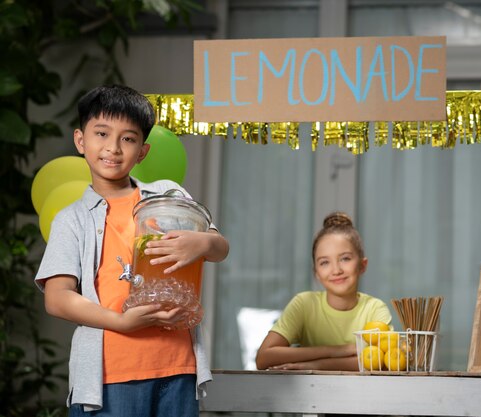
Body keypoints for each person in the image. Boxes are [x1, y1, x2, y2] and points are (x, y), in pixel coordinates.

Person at [34, 85, 229, 416]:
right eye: (102, 134)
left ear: (143, 150)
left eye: (128, 138)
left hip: (178, 367)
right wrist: (121, 322)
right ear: (81, 141)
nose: (113, 147)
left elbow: (219, 248)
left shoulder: (167, 194)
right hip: (109, 375)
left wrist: (204, 241)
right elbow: (57, 298)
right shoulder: (72, 219)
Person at [255, 212, 392, 371]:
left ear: (362, 265)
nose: (336, 270)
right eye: (324, 262)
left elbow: (383, 362)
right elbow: (264, 358)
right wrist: (339, 351)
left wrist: (315, 365)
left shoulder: (374, 308)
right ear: (316, 273)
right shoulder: (304, 304)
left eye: (345, 258)